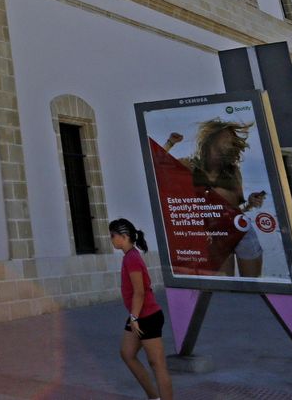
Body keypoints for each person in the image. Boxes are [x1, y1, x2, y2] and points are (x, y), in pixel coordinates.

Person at [163, 122, 267, 276]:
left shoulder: (233, 171)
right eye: (227, 137)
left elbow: (238, 208)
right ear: (212, 138)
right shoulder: (191, 165)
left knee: (252, 282)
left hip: (241, 231)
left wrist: (250, 203)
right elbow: (159, 166)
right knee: (225, 284)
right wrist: (170, 143)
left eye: (232, 139)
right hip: (215, 236)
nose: (230, 142)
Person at [109, 218, 173, 400]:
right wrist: (134, 317)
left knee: (157, 365)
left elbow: (139, 292)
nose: (111, 239)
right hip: (138, 316)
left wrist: (134, 317)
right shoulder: (129, 257)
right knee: (127, 353)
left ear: (123, 236)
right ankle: (154, 397)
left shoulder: (132, 259)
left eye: (112, 235)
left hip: (148, 316)